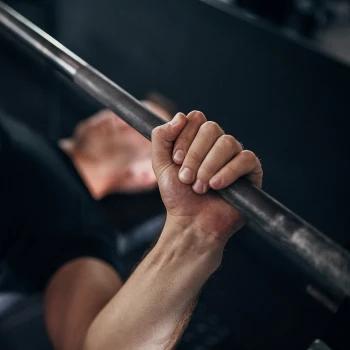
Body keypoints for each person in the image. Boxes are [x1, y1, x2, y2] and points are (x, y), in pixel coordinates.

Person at [0, 105, 262, 349]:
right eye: (129, 107)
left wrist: (197, 232)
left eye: (139, 125)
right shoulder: (31, 136)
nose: (118, 117)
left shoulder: (85, 232)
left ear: (147, 174)